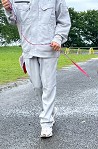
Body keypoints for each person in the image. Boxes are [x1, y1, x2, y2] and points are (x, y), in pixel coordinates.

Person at [1, 0, 71, 138]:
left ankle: (46, 123)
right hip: (29, 49)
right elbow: (13, 20)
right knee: (37, 87)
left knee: (48, 86)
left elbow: (64, 21)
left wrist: (58, 38)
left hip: (50, 49)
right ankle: (50, 111)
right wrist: (8, 9)